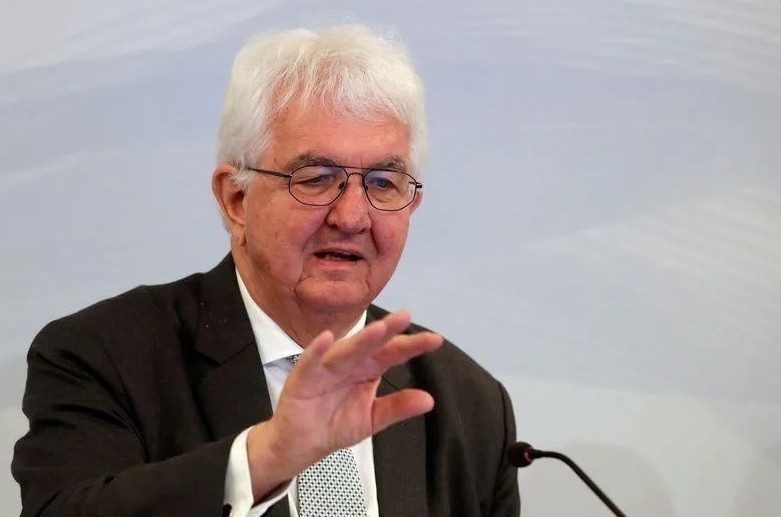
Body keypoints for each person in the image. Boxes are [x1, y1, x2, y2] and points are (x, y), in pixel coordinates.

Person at [12, 25, 520, 516]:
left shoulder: (469, 404)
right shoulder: (103, 356)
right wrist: (263, 460)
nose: (351, 217)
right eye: (316, 178)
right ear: (236, 199)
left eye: (383, 183)